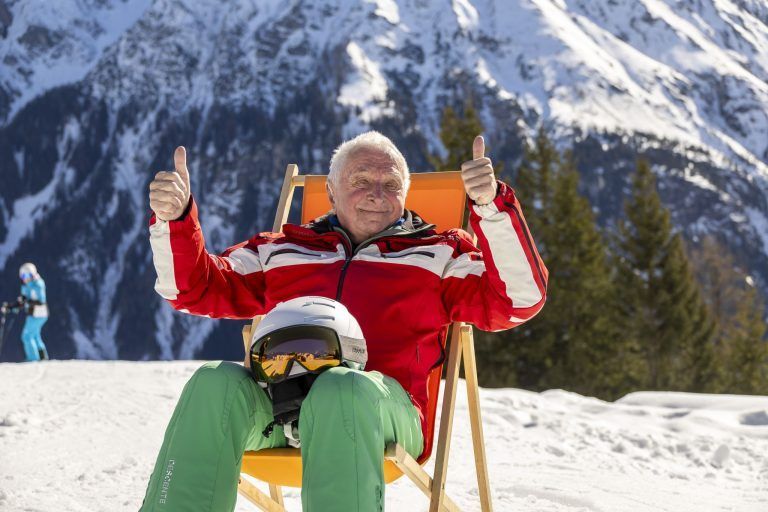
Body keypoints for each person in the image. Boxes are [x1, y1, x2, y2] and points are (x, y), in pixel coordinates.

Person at [141, 131, 548, 511]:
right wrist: (175, 219)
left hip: (381, 411)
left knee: (341, 387)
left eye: (391, 185)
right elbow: (193, 288)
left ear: (405, 195)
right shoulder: (283, 249)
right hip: (280, 408)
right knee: (215, 383)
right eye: (361, 180)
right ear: (332, 192)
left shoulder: (438, 255)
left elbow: (519, 299)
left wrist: (490, 208)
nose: (376, 194)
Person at [18, 262, 49, 361]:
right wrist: (12, 306)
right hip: (33, 314)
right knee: (35, 335)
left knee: (27, 336)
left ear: (32, 275)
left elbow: (41, 300)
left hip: (38, 314)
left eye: (27, 276)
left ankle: (33, 359)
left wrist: (27, 302)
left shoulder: (38, 284)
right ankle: (42, 357)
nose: (25, 278)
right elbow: (23, 299)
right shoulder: (26, 286)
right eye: (23, 276)